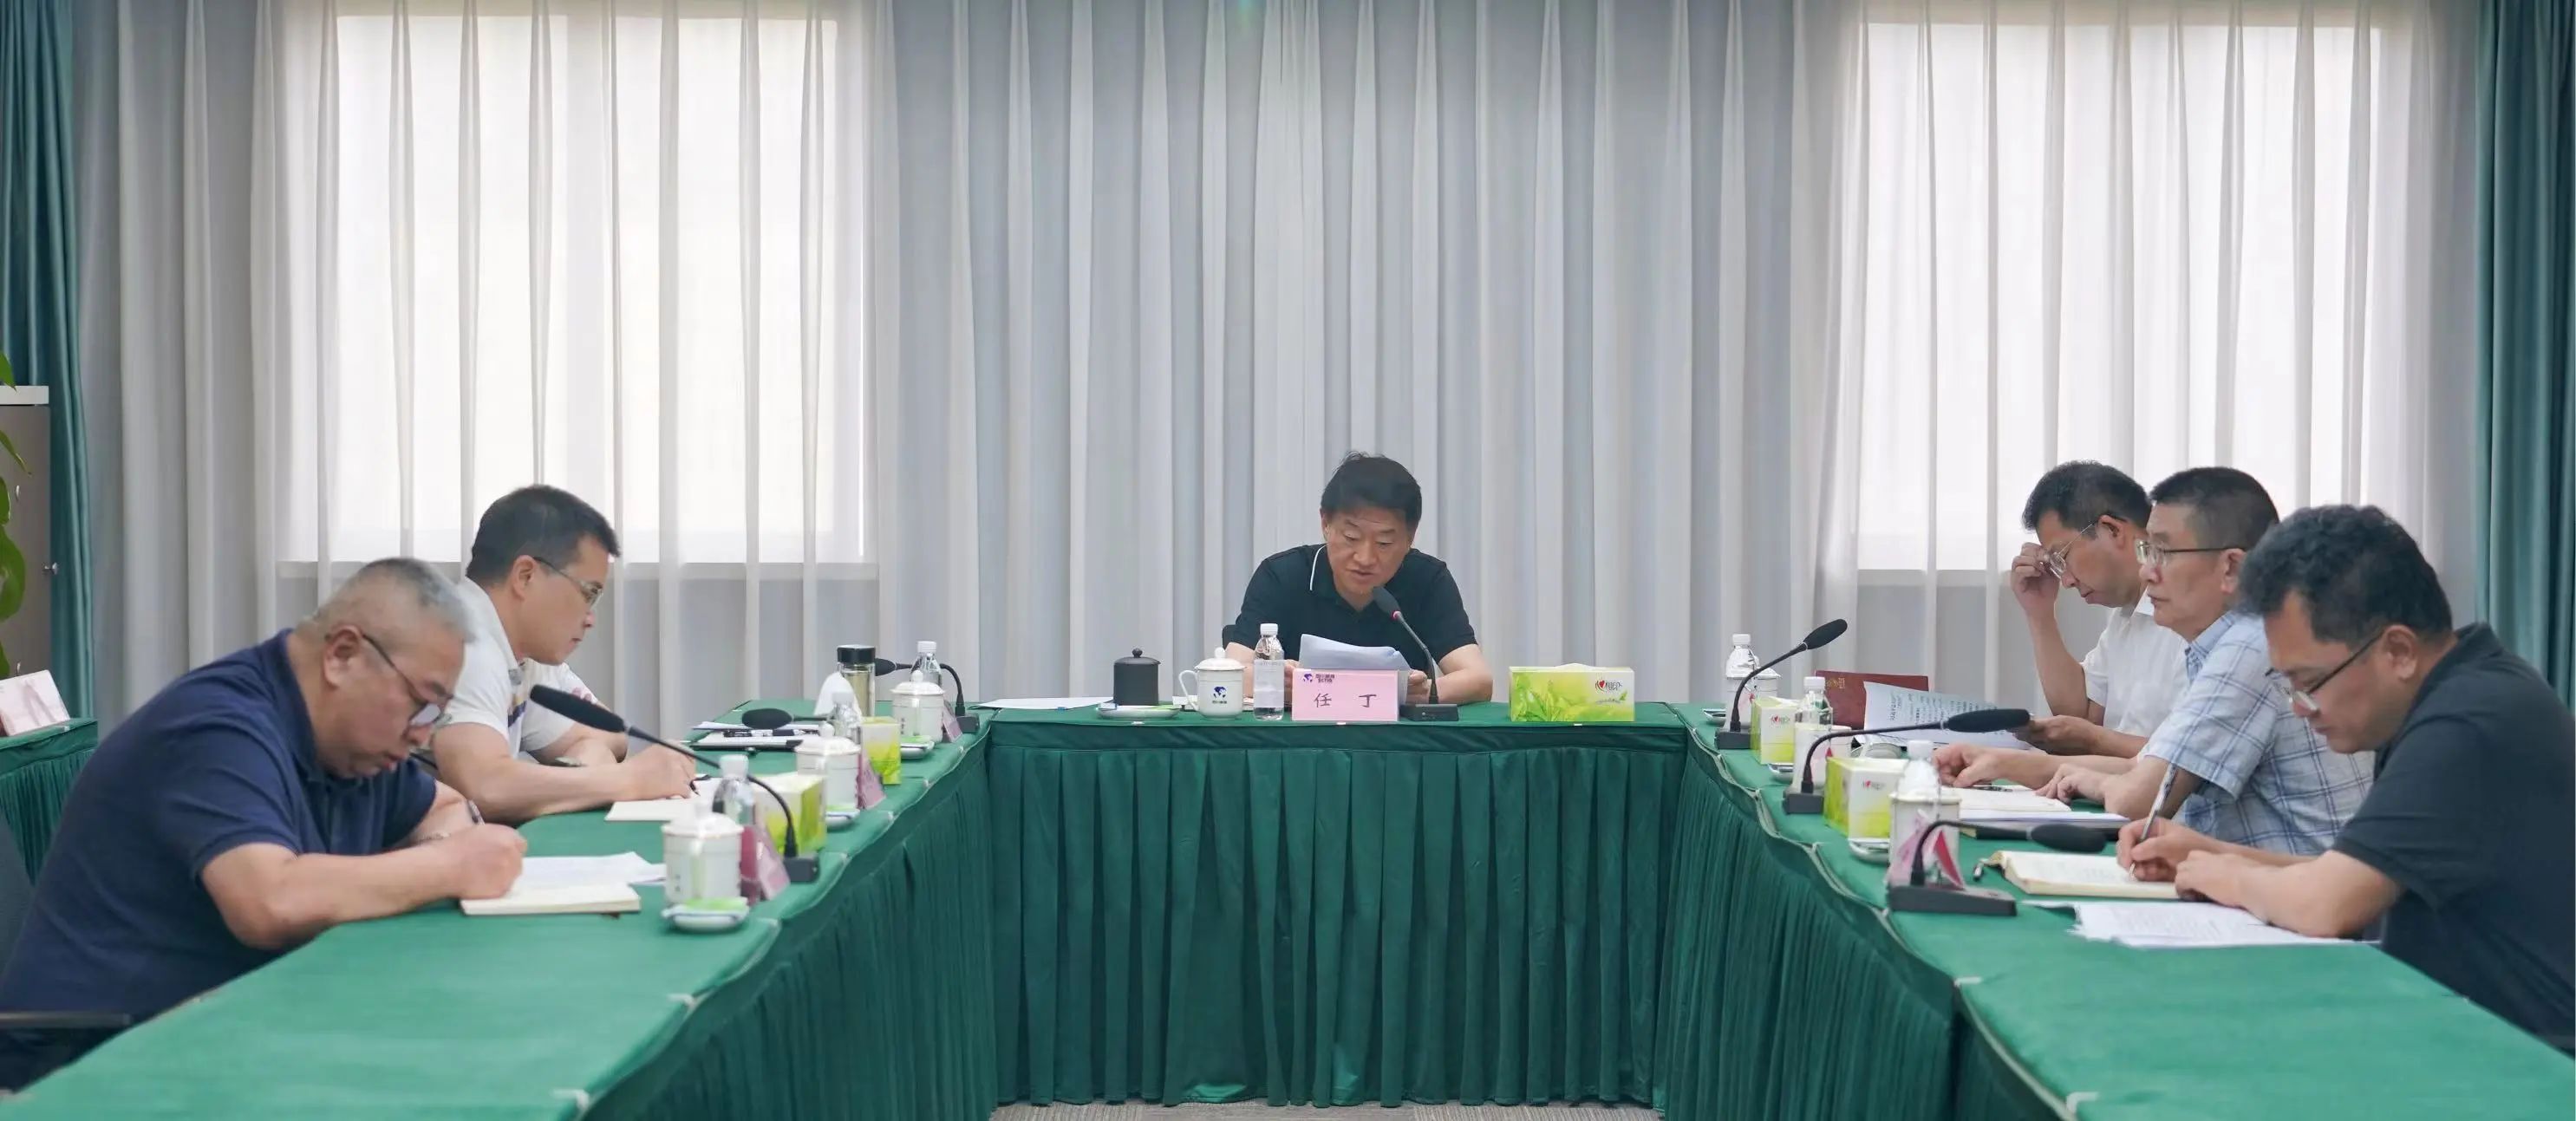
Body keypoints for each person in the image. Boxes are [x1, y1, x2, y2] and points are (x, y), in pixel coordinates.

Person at [0, 560, 525, 1032]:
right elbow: (269, 900)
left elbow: (444, 807)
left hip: (227, 1028)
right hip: (95, 1057)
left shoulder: (356, 745)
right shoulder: (217, 728)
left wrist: (437, 851)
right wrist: (447, 867)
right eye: (421, 704)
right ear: (343, 655)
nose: (423, 734)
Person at [2120, 506, 2573, 1052]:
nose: (2299, 708)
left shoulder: (2469, 722)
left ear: (2398, 651)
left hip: (2530, 1059)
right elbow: (2356, 877)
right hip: (2464, 1025)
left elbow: (2325, 904)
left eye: (2309, 682)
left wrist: (2226, 877)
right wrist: (2209, 854)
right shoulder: (2455, 688)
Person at [1968, 469, 2373, 855]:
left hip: (2288, 892)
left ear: (2231, 567)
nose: (2148, 572)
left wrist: (2077, 776)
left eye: (2162, 553)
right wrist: (2010, 762)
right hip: (2249, 875)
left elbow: (2137, 797)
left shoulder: (2249, 646)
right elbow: (2147, 765)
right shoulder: (2223, 640)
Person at [431, 486, 695, 822]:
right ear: (525, 576)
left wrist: (580, 774)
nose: (591, 618)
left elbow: (610, 736)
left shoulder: (523, 649)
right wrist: (628, 780)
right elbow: (485, 787)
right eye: (589, 593)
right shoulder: (466, 645)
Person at [1221, 453, 1493, 705]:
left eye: (1384, 543)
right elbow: (1232, 674)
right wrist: (1273, 681)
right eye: (1351, 538)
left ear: (1410, 538)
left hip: (1396, 738)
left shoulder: (1426, 579)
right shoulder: (1282, 576)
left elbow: (1479, 680)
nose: (1365, 558)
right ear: (1325, 524)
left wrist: (1425, 692)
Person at [2005, 461, 2186, 757]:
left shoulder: (2195, 614)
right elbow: (2082, 714)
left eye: (2062, 557)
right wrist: (2039, 614)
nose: (2066, 581)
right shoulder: (2126, 615)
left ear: (2111, 530)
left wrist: (2093, 741)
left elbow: (2187, 757)